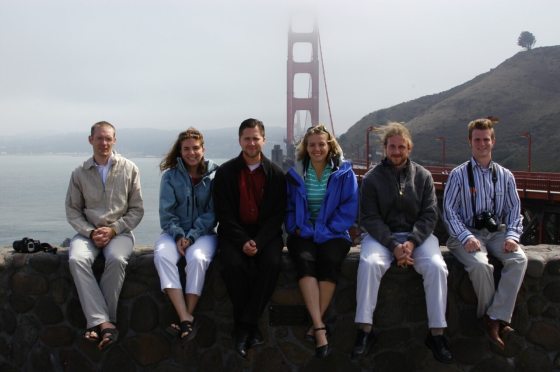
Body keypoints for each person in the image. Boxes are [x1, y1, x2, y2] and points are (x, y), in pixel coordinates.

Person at [353, 122, 453, 363]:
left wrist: (411, 242)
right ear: (384, 148)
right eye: (392, 147)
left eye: (401, 147)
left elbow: (430, 215)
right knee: (369, 264)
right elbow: (369, 218)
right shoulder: (371, 179)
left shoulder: (423, 176)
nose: (396, 151)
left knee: (437, 267)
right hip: (382, 238)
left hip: (416, 237)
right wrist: (393, 245)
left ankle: (437, 334)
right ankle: (365, 330)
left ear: (409, 148)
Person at [443, 117, 528, 350]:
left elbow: (514, 211)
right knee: (481, 266)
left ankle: (492, 317)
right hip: (466, 233)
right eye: (477, 140)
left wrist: (512, 235)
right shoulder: (459, 175)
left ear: (493, 141)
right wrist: (465, 237)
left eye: (486, 139)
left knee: (519, 259)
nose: (482, 144)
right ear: (469, 142)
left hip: (496, 233)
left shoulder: (505, 176)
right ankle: (495, 322)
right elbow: (449, 212)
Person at [66, 121, 144, 350]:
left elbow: (137, 209)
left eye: (108, 138)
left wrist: (113, 229)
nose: (104, 143)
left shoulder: (130, 169)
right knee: (76, 259)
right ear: (91, 140)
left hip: (120, 232)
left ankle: (97, 323)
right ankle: (106, 324)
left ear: (115, 140)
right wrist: (90, 232)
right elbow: (72, 210)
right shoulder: (79, 173)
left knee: (117, 259)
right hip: (88, 233)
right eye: (100, 138)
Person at [213, 118, 286, 358]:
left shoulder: (276, 173)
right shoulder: (225, 173)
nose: (252, 143)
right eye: (247, 138)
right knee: (232, 265)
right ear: (239, 140)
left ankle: (243, 326)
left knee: (272, 263)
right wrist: (243, 240)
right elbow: (223, 213)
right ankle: (251, 327)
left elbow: (278, 214)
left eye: (256, 138)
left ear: (263, 140)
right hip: (235, 233)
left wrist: (260, 242)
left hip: (266, 234)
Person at [285, 124, 358, 358]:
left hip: (333, 233)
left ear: (330, 145)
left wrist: (325, 231)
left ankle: (315, 325)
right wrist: (296, 228)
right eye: (311, 144)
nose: (316, 148)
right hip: (303, 233)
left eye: (321, 144)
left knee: (329, 262)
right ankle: (319, 326)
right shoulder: (296, 173)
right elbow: (287, 207)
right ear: (305, 147)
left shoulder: (344, 173)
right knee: (304, 262)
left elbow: (349, 208)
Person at [153, 128, 218, 341]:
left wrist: (191, 236)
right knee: (163, 256)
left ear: (203, 149)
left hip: (204, 234)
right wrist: (180, 235)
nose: (191, 153)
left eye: (196, 148)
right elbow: (167, 212)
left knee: (197, 258)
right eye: (187, 149)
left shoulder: (215, 175)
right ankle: (185, 317)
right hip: (173, 234)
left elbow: (212, 213)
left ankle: (185, 316)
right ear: (180, 151)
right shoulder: (170, 177)